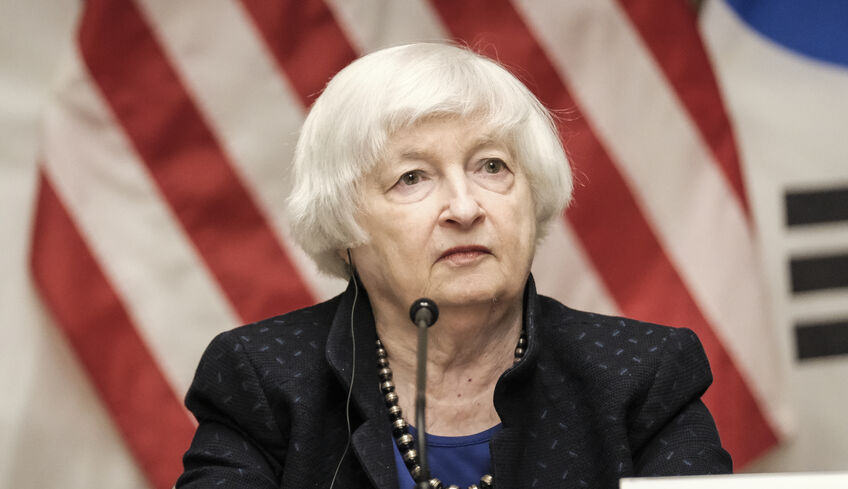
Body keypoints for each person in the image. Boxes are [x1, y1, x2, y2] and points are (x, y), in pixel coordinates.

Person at [176, 42, 731, 489]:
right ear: (343, 226)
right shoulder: (265, 381)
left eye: (492, 167)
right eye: (412, 177)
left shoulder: (639, 375)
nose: (465, 208)